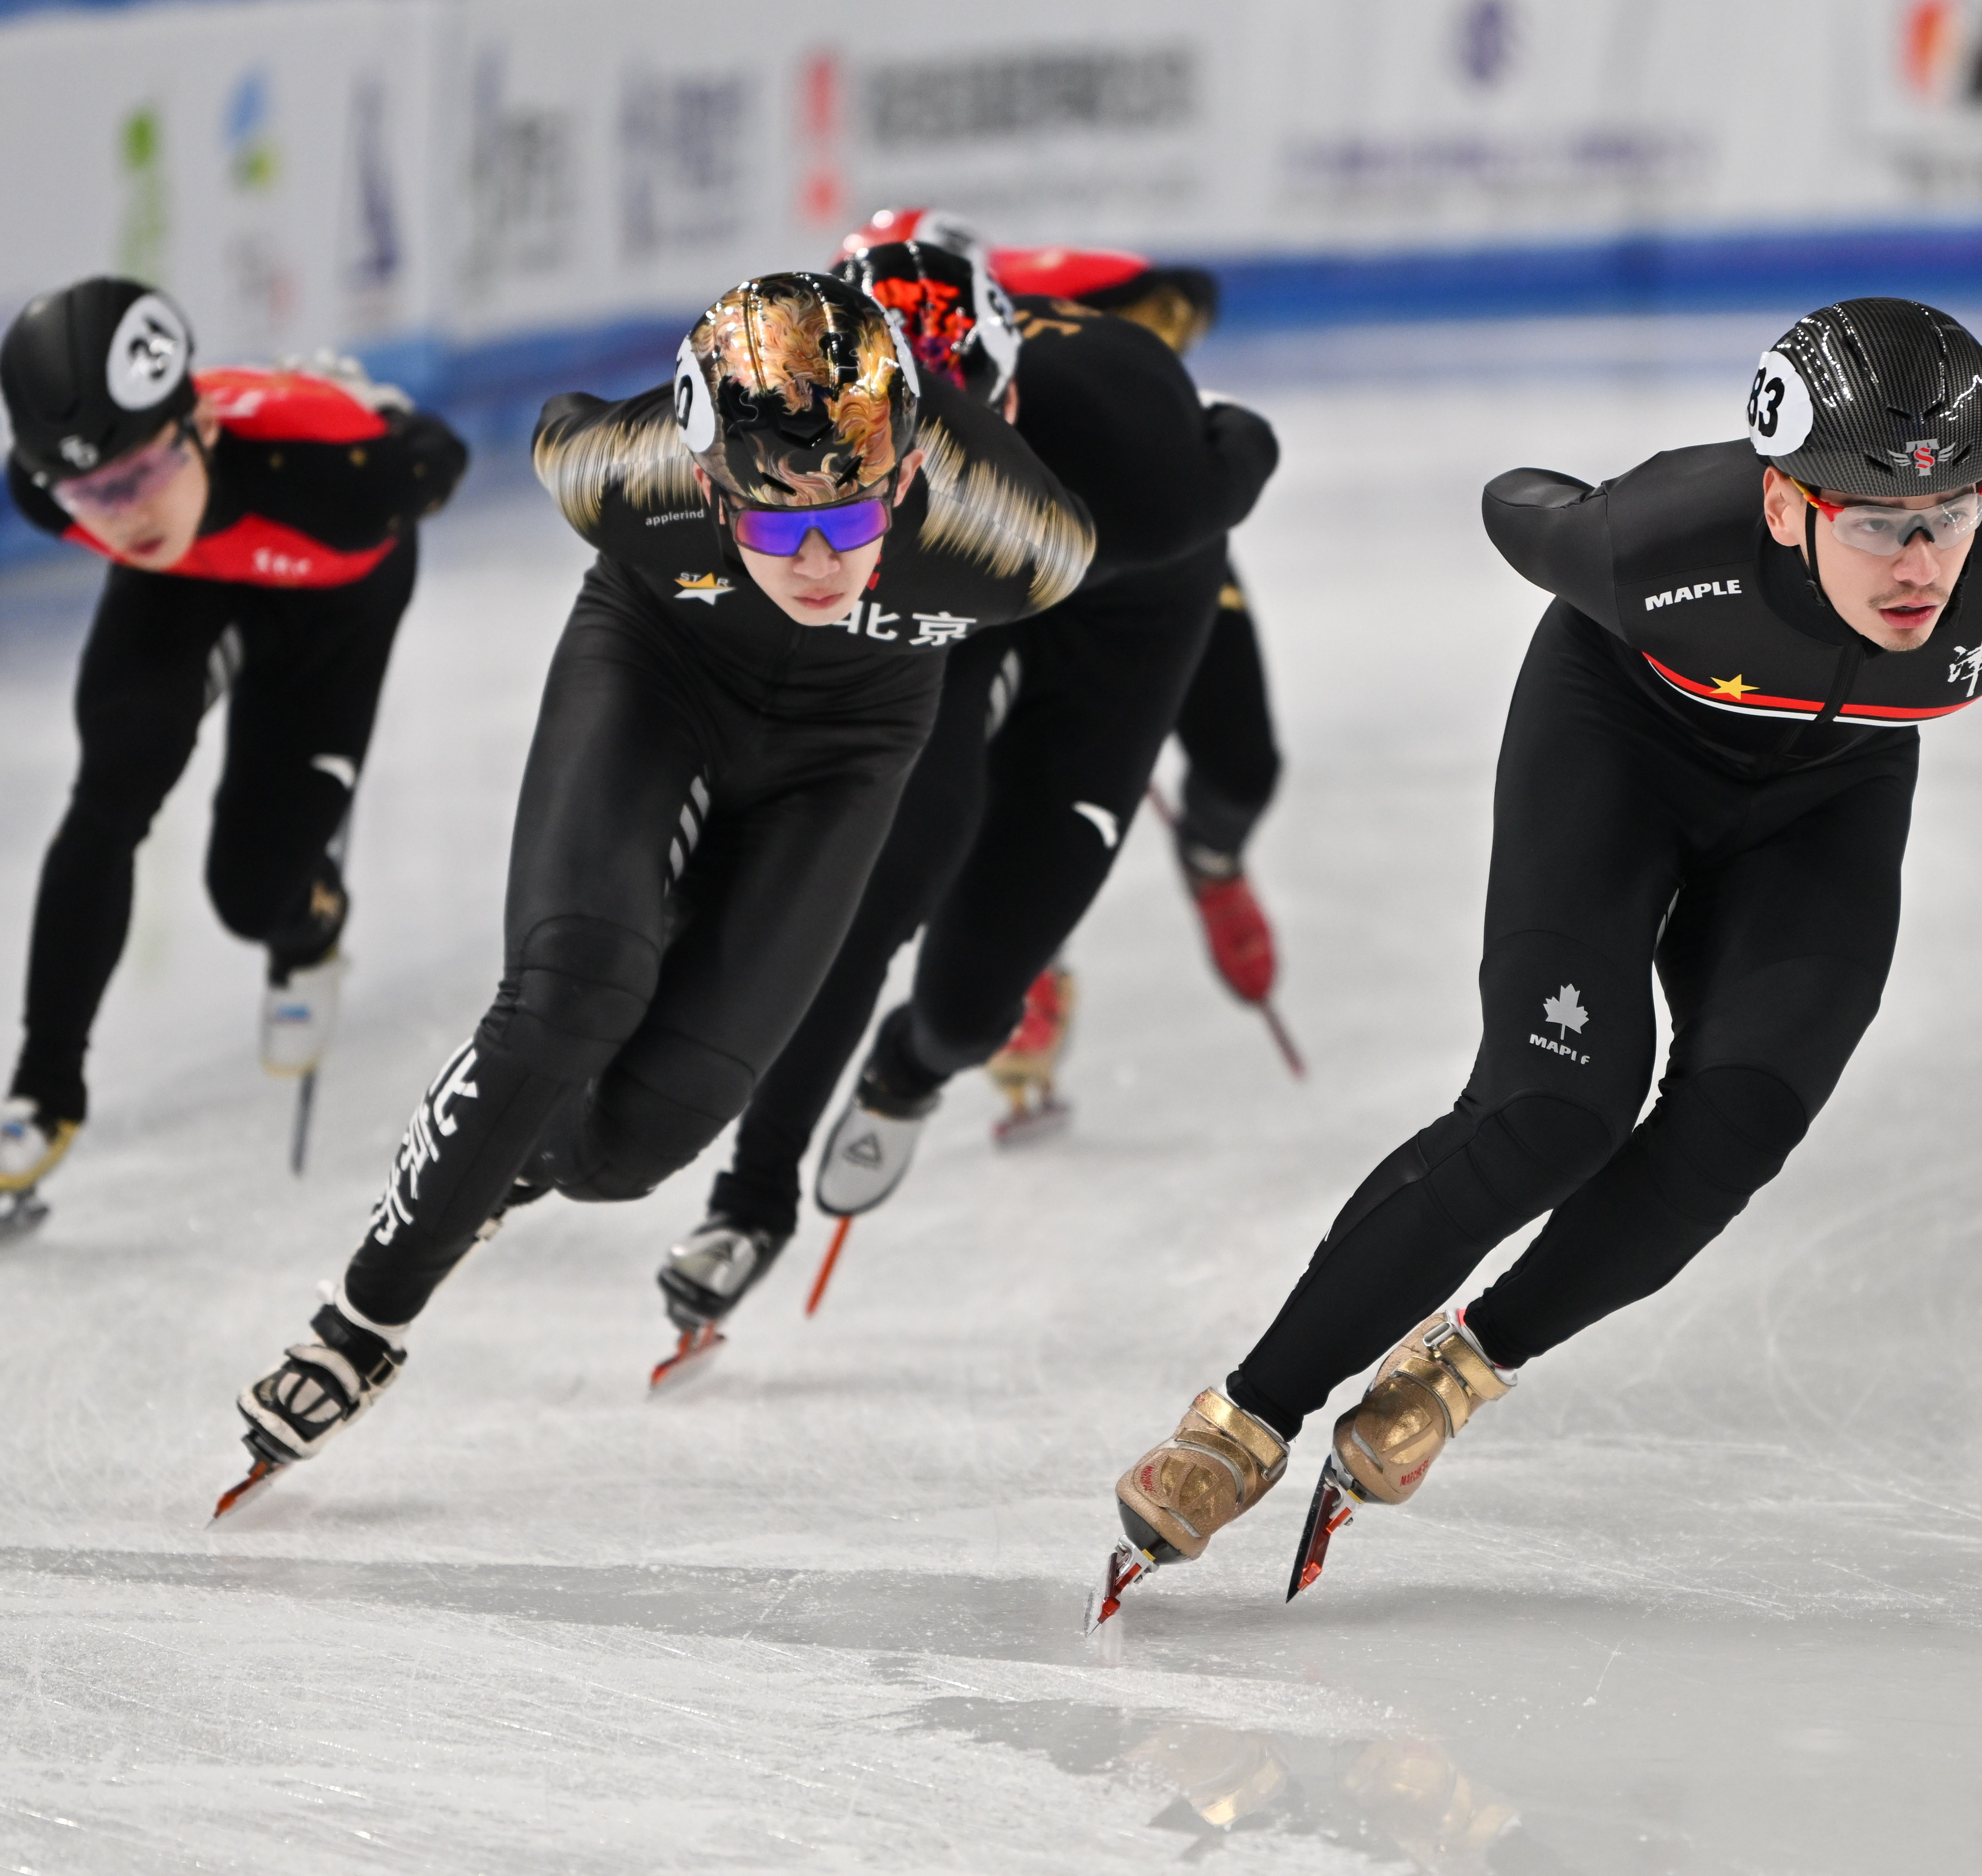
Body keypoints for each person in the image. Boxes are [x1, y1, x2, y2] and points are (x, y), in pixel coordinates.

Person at [1094, 299, 1982, 1624]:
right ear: (1787, 503)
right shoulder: (1655, 541)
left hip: (1827, 803)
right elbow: (1516, 501)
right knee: (1556, 1106)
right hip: (1619, 747)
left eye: (1954, 512)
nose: (1924, 561)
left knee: (1737, 1121)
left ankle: (1459, 1371)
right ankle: (1242, 1422)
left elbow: (1954, 553)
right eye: (1877, 522)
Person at [222, 271, 1091, 1506]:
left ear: (905, 480)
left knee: (625, 1151)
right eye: (779, 528)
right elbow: (541, 429)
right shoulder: (614, 471)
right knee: (572, 990)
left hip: (844, 754)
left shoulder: (1016, 539)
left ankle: (506, 1154)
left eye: (853, 522)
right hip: (656, 676)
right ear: (701, 482)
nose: (821, 560)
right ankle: (362, 1319)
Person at [651, 220, 1278, 1364]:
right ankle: (751, 1197)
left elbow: (1246, 441)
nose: (926, 463)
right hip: (942, 582)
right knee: (877, 879)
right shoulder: (808, 452)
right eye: (883, 444)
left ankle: (913, 1069)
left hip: (1123, 601)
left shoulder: (1148, 468)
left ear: (1014, 399)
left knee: (973, 999)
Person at [0, 277, 467, 1253]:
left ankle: (310, 924)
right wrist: (126, 495)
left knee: (248, 892)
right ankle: (43, 1090)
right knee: (109, 792)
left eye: (139, 475)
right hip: (182, 588)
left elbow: (445, 454)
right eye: (91, 494)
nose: (122, 513)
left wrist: (383, 421)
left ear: (200, 430)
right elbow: (112, 497)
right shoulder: (50, 494)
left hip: (332, 605)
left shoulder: (350, 482)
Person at [989, 244, 1287, 1020]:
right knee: (1014, 777)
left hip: (1160, 541)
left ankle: (1212, 856)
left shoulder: (1094, 317)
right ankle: (1020, 950)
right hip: (1018, 553)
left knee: (1243, 766)